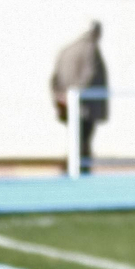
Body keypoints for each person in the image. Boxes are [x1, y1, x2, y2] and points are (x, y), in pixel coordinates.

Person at [51, 21, 107, 171]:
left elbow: (55, 78)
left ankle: (71, 168)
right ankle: (78, 170)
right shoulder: (89, 48)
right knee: (82, 141)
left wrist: (60, 96)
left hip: (68, 103)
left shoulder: (67, 50)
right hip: (84, 106)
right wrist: (76, 95)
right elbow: (89, 74)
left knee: (75, 139)